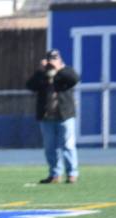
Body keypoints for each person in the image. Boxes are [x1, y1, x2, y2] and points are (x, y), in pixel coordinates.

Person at [25, 49, 80, 184]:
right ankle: (55, 174)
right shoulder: (43, 75)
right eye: (50, 59)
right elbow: (30, 85)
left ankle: (72, 174)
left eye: (55, 59)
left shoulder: (65, 72)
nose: (52, 62)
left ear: (60, 60)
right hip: (47, 117)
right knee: (50, 147)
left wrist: (59, 69)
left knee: (68, 145)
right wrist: (40, 71)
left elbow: (74, 78)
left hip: (65, 116)